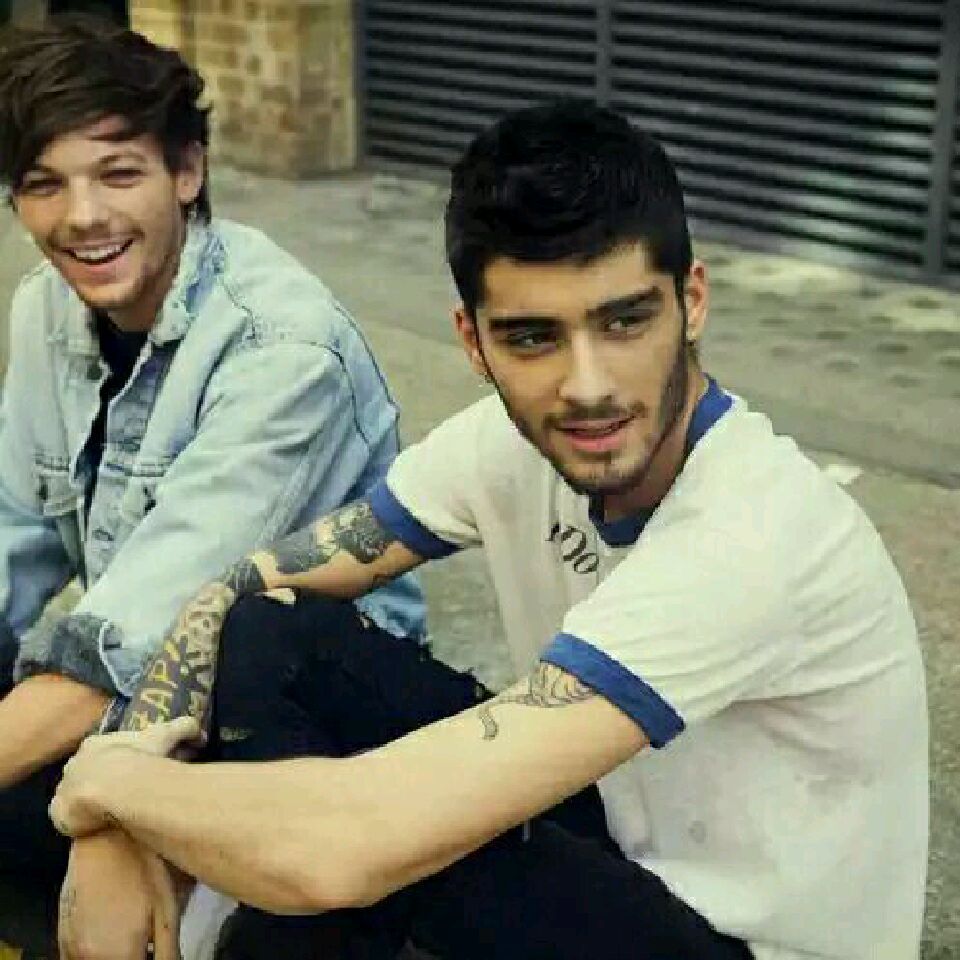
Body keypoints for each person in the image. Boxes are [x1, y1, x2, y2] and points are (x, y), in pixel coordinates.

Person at [52, 101, 929, 960]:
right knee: (273, 634)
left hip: (740, 941)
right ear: (473, 343)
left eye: (625, 320)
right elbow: (247, 587)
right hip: (626, 846)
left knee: (385, 842)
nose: (589, 386)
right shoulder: (509, 442)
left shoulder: (751, 535)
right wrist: (122, 789)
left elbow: (345, 847)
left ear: (692, 302)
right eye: (533, 338)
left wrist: (111, 787)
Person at [0, 17, 423, 958]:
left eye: (118, 174)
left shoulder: (284, 348)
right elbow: (11, 541)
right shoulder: (46, 308)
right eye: (44, 184)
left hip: (294, 724)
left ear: (186, 171)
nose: (82, 218)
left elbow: (142, 634)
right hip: (135, 700)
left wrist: (111, 798)